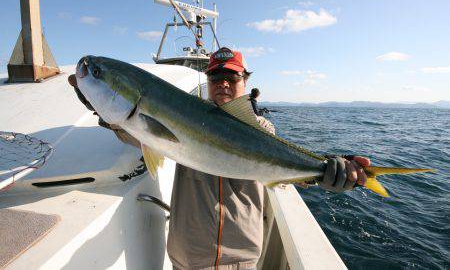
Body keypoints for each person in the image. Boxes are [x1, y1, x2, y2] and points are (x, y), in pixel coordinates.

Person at [68, 47, 369, 270]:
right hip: (189, 256)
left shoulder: (262, 129)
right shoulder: (185, 113)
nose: (223, 83)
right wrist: (107, 116)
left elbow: (280, 172)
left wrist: (328, 170)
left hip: (243, 258)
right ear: (208, 82)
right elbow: (135, 134)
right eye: (215, 77)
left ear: (244, 81)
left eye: (230, 77)